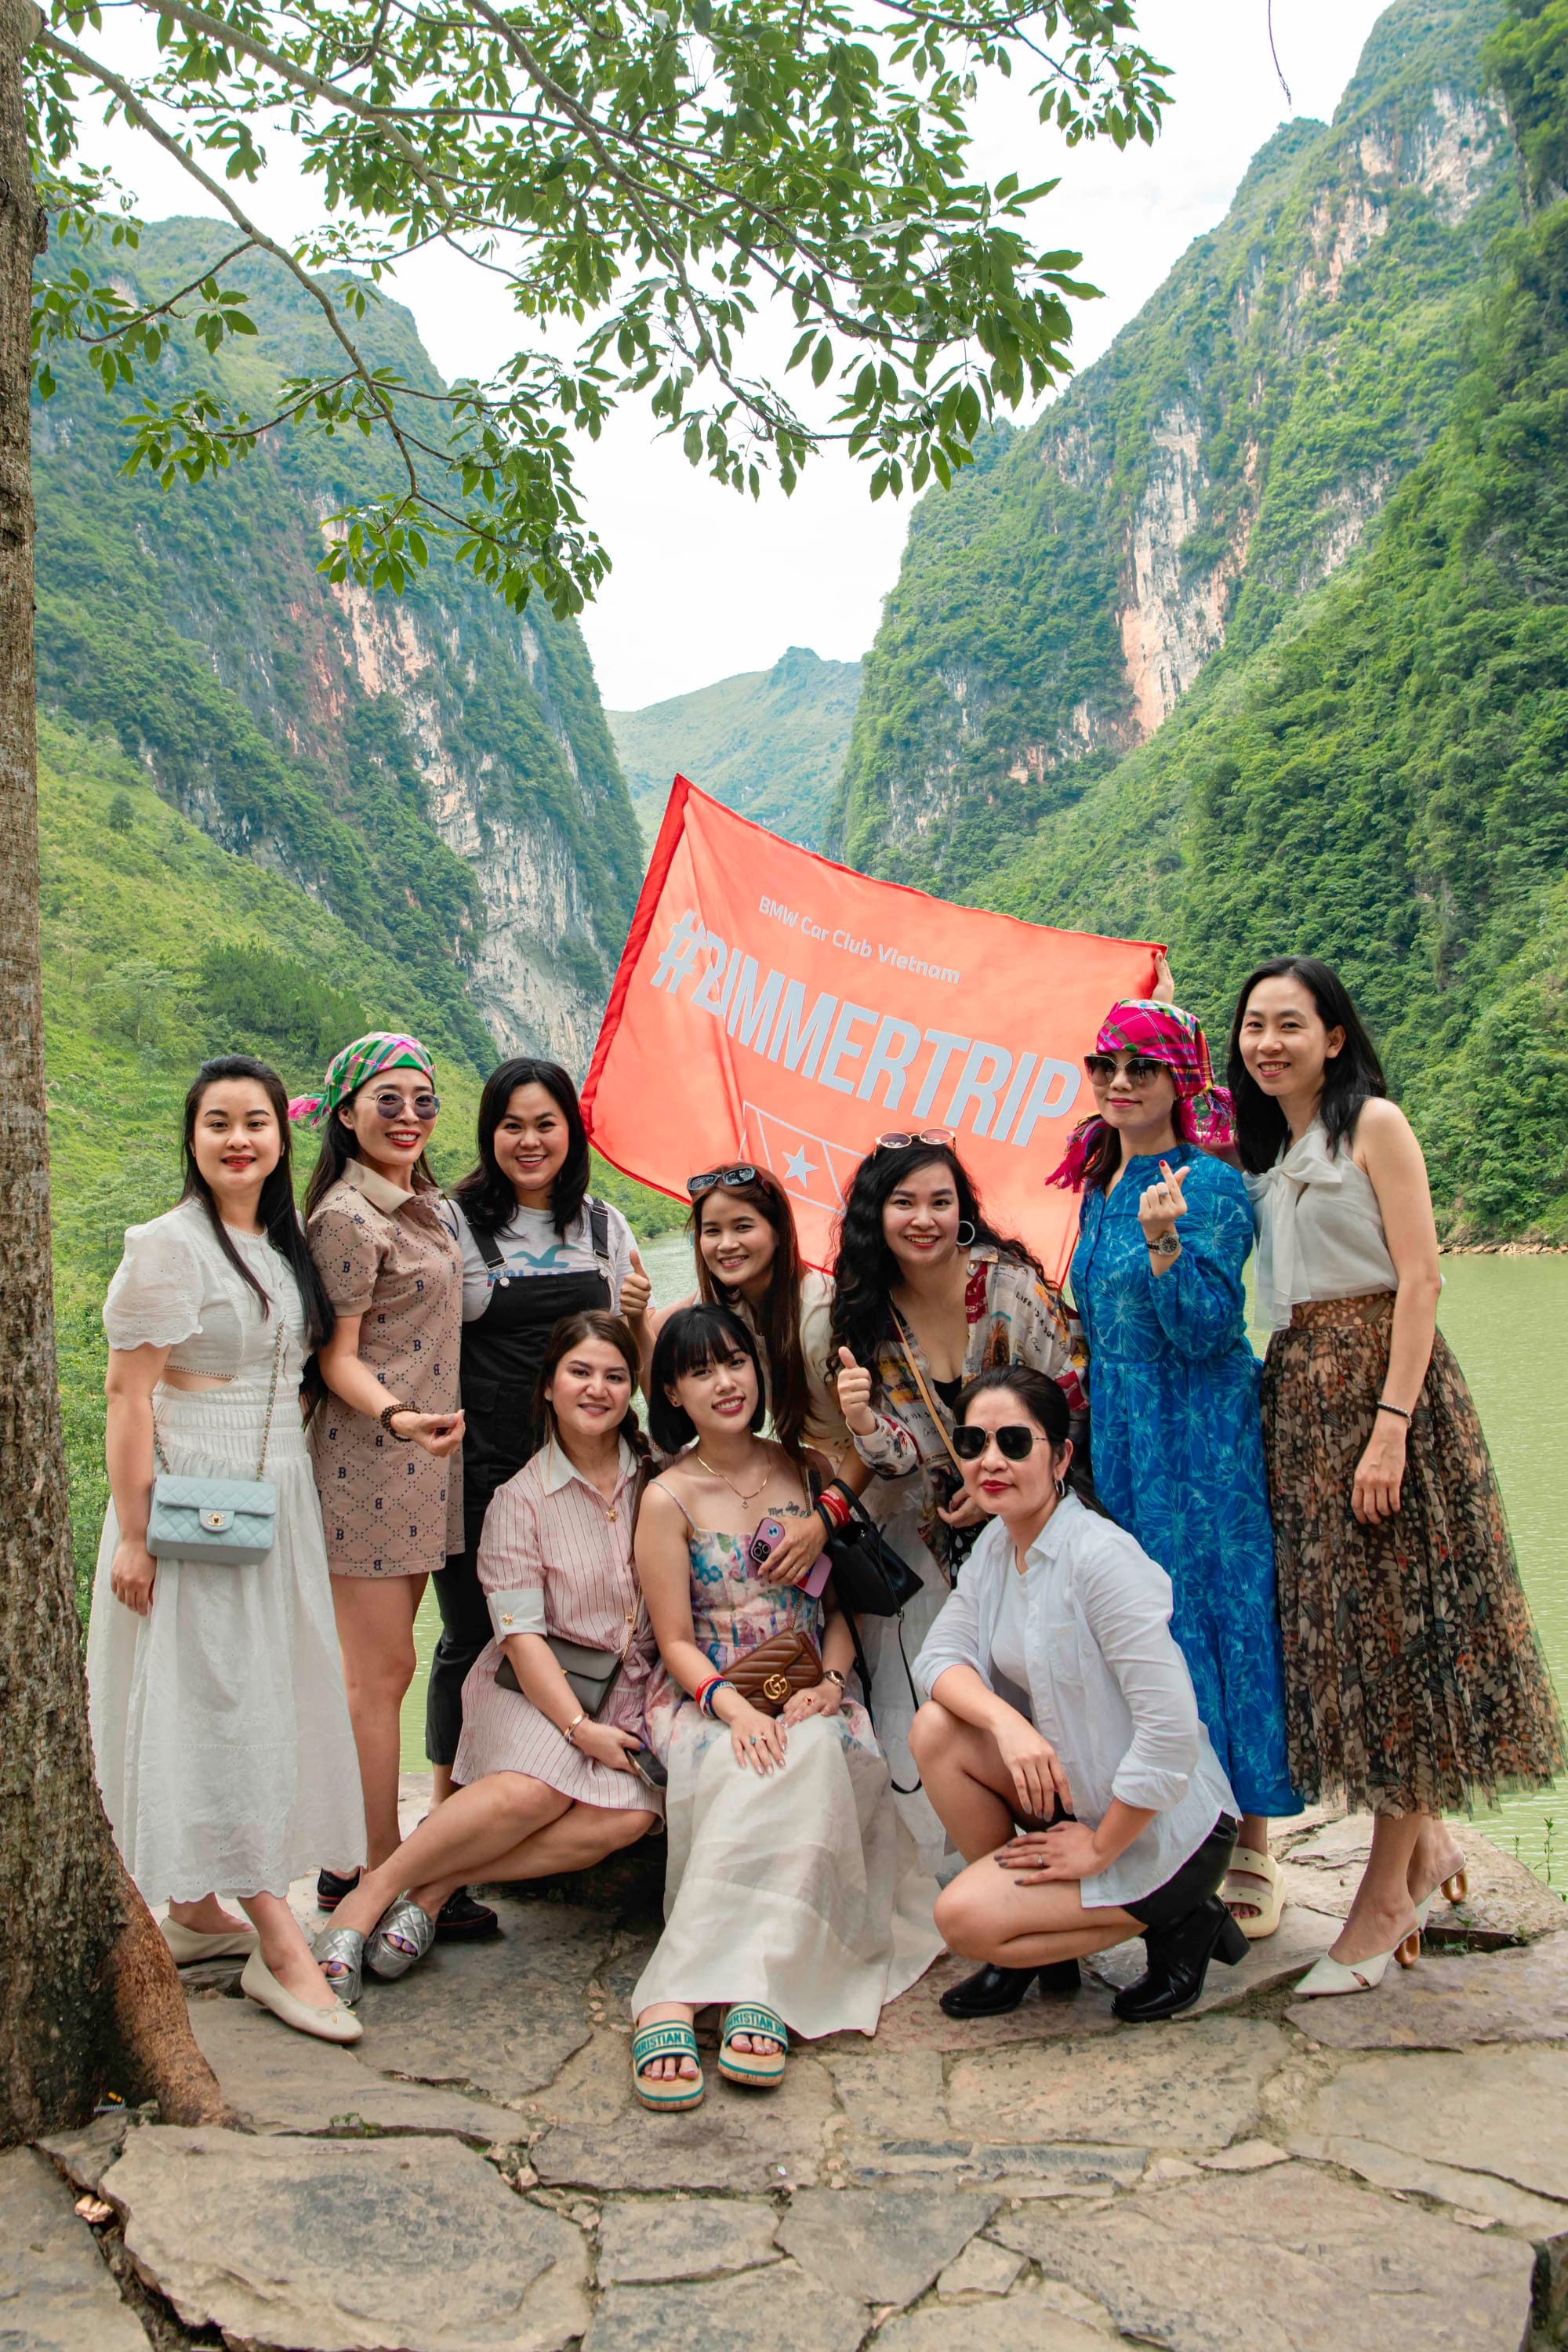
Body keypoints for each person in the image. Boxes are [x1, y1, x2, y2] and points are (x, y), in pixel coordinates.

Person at [1232, 956, 1566, 1996]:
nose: (1267, 1042)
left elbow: (1420, 1279)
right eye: (1253, 1025)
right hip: (1299, 1398)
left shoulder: (1372, 1124)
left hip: (1387, 1397)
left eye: (1290, 1024)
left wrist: (1391, 1428)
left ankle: (1383, 1902)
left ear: (1334, 1038)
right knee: (1345, 1633)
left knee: (1402, 1635)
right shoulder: (1266, 1149)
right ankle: (1423, 1850)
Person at [87, 1056, 365, 2042]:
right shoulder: (167, 1247)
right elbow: (128, 1396)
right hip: (195, 1498)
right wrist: (135, 1535)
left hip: (274, 1491)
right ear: (193, 1137)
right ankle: (278, 1947)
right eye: (218, 1122)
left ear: (284, 1137)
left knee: (263, 1692)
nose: (238, 1139)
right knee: (221, 1701)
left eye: (255, 1121)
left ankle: (198, 1908)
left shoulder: (279, 1245)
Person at [629, 1305, 942, 2108]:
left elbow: (833, 1609)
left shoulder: (806, 1469)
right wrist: (734, 1711)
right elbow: (673, 1641)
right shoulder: (666, 1497)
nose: (724, 1383)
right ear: (673, 1392)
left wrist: (830, 1686)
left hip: (808, 1682)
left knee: (813, 1751)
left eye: (735, 1362)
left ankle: (758, 1986)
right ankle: (673, 1992)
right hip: (710, 1693)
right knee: (744, 1764)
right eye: (700, 1371)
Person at [1049, 998, 1301, 1944]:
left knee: (1220, 1617)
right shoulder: (1098, 1184)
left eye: (1140, 1068)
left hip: (1198, 1435)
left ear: (1180, 1080)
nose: (1118, 1083)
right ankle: (1179, 1827)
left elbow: (1203, 1331)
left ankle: (1251, 1840)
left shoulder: (1213, 1184)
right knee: (1145, 1626)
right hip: (1123, 1435)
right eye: (1104, 1064)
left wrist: (1163, 1243)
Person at [314, 1312, 661, 1996]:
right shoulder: (518, 1501)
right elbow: (522, 1639)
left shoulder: (659, 1480)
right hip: (532, 1684)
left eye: (616, 1377)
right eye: (580, 1373)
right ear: (549, 1387)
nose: (598, 1390)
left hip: (632, 1690)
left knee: (628, 1817)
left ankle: (433, 1890)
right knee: (534, 1790)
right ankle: (366, 1900)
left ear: (633, 1390)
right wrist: (578, 1728)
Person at [909, 1367, 1247, 2024]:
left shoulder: (1101, 1559)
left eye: (1014, 1442)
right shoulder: (997, 1547)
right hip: (1075, 1799)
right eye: (974, 1443)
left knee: (962, 1919)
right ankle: (1037, 1944)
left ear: (1061, 1457)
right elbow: (938, 1658)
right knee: (935, 1730)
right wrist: (1008, 1725)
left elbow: (1171, 1731)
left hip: (1160, 1829)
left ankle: (1183, 1917)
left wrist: (1099, 1848)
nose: (991, 1461)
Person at [829, 1134, 1085, 1871]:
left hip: (1046, 1517)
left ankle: (1089, 1840)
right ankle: (1013, 1858)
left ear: (962, 1209)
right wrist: (862, 1421)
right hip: (957, 1537)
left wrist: (1002, 1479)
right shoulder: (873, 1315)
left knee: (1060, 1680)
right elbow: (903, 1457)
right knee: (982, 1691)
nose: (924, 1219)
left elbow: (1073, 1392)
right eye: (903, 1203)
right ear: (876, 1215)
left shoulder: (1007, 1287)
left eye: (940, 1201)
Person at [429, 1060, 652, 1844]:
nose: (529, 1141)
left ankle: (549, 1782)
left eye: (545, 1124)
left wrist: (639, 1315)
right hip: (480, 1462)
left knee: (588, 1628)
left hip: (591, 1464)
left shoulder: (605, 1228)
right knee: (472, 1636)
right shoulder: (452, 1224)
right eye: (511, 1125)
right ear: (488, 1133)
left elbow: (629, 1361)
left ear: (570, 1133)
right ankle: (444, 1812)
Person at [297, 1033, 466, 1903]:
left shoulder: (419, 1206)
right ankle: (369, 1866)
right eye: (387, 1100)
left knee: (387, 1668)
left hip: (424, 1463)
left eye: (422, 1101)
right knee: (379, 1673)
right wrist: (399, 1416)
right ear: (345, 1113)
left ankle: (356, 1856)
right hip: (368, 1462)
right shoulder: (345, 1219)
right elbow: (337, 1357)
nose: (408, 1116)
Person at [647, 1160, 873, 1585]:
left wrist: (821, 1522)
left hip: (864, 1489)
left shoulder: (819, 1316)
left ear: (778, 1230)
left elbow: (872, 1436)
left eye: (743, 1227)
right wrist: (630, 1317)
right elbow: (658, 1335)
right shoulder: (731, 1304)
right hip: (817, 1484)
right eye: (712, 1231)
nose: (726, 1244)